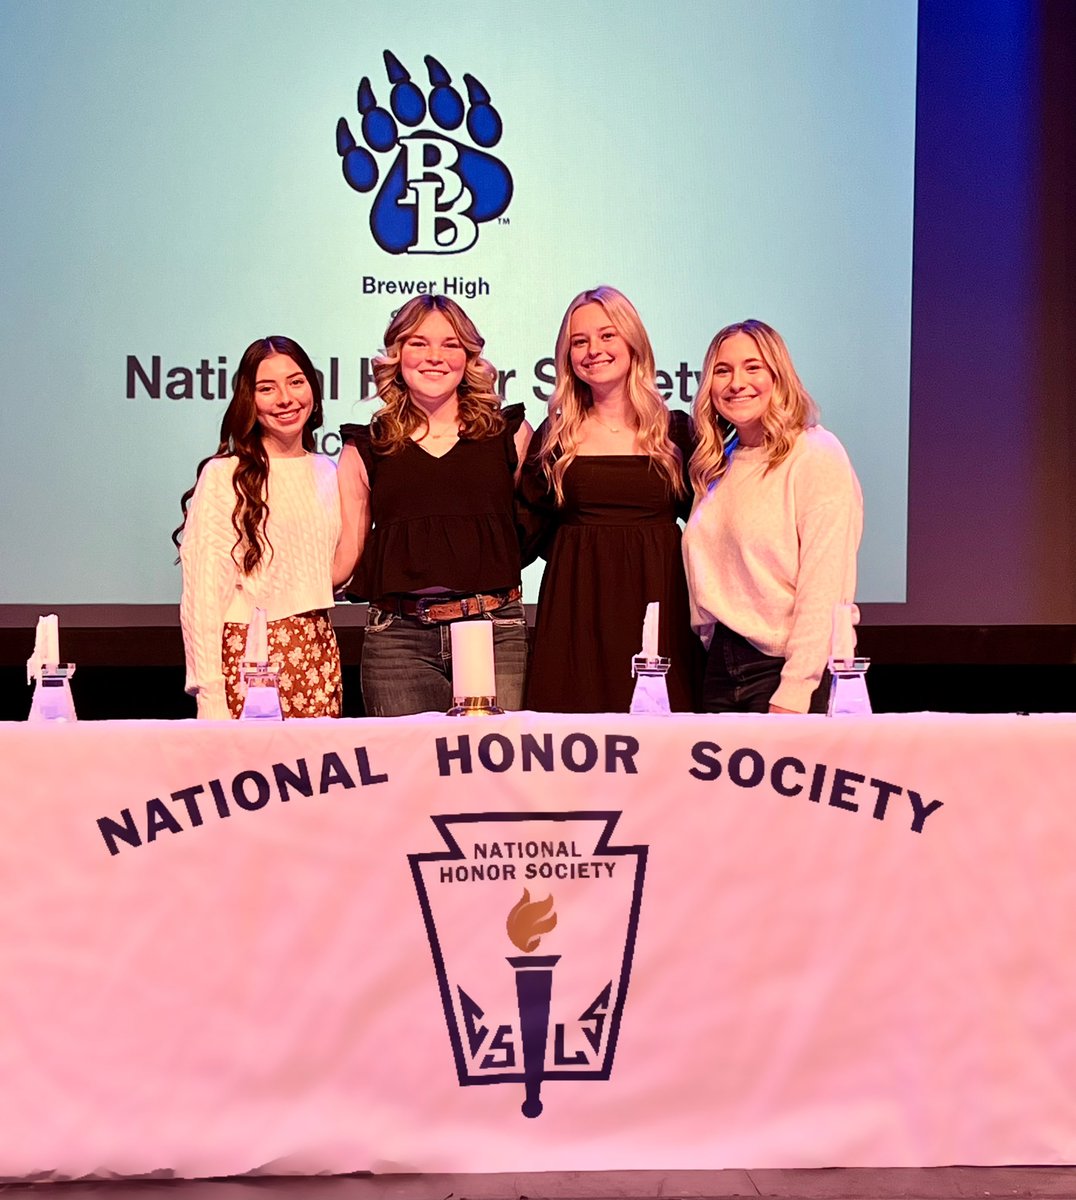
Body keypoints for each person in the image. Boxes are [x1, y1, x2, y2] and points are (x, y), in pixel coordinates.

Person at [336, 295, 532, 716]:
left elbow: (527, 527)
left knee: (493, 778)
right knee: (408, 780)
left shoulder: (510, 434)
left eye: (451, 344)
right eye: (419, 343)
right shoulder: (366, 446)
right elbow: (346, 556)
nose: (435, 357)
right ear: (397, 355)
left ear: (468, 357)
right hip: (398, 642)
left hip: (494, 631)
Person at [519, 286, 699, 712]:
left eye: (606, 336)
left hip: (661, 605)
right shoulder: (555, 438)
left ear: (633, 342)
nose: (593, 350)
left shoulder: (675, 432)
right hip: (576, 612)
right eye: (579, 342)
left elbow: (715, 529)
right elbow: (522, 532)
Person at [682, 319, 863, 714]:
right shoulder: (720, 463)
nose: (736, 382)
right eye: (722, 370)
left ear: (778, 376)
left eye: (753, 367)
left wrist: (796, 688)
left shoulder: (815, 454)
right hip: (721, 668)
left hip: (785, 671)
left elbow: (825, 584)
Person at [174, 336, 347, 720]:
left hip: (317, 653)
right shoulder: (224, 475)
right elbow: (202, 593)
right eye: (266, 388)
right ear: (249, 401)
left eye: (296, 382)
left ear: (314, 391)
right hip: (249, 658)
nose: (285, 398)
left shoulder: (328, 471)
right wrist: (209, 693)